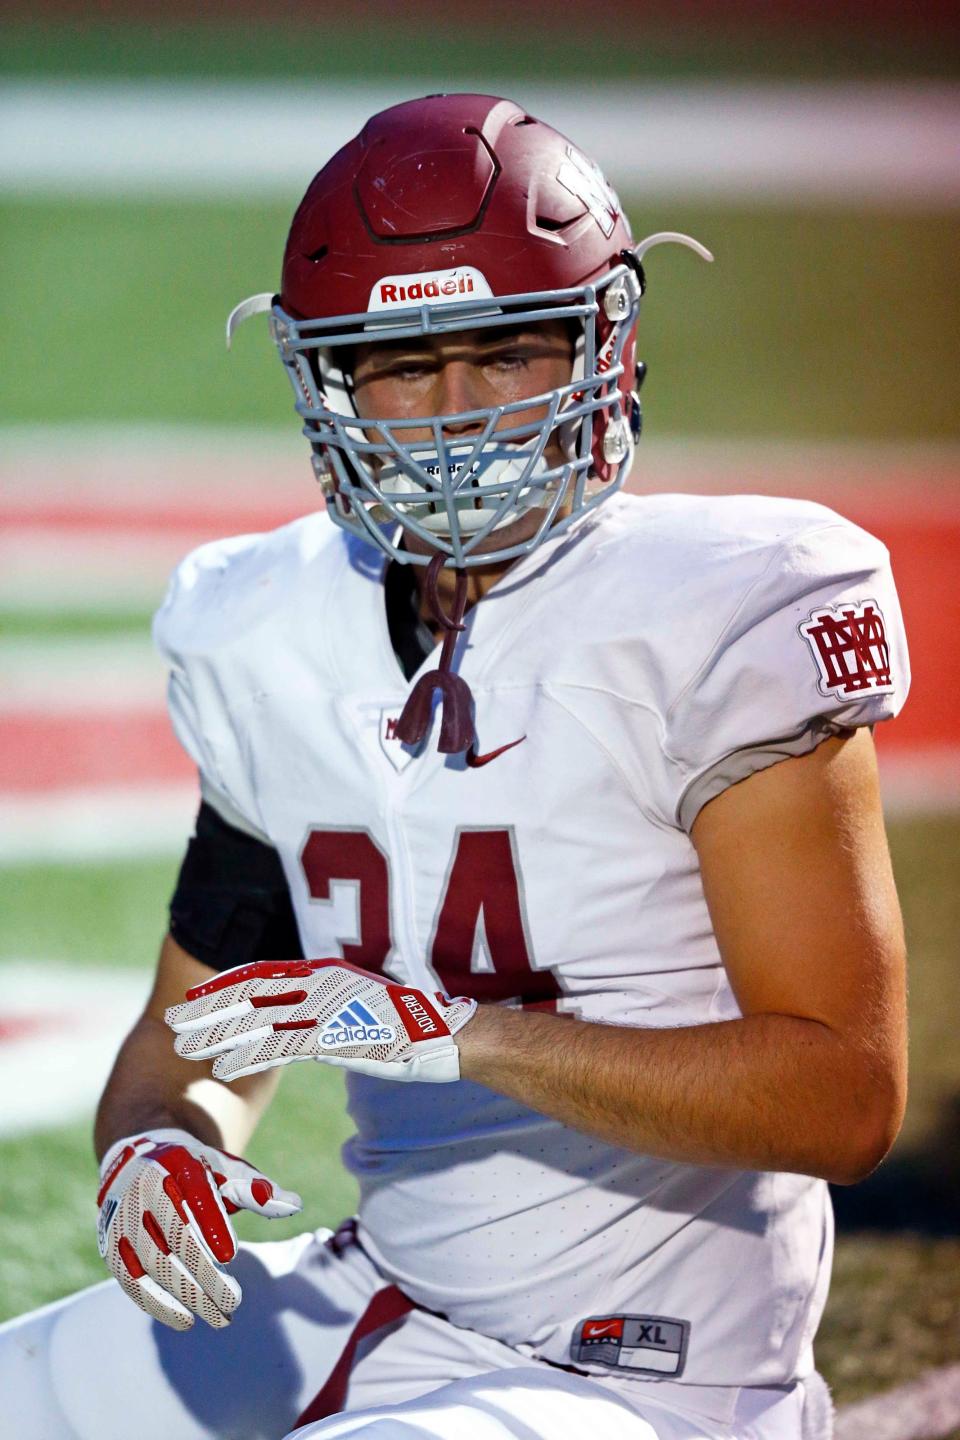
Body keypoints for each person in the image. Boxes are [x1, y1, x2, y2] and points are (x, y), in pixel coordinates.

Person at [0, 93, 909, 1440]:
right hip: (386, 1303)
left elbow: (847, 1099)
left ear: (604, 348)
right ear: (329, 382)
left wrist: (462, 1036)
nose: (457, 413)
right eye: (402, 364)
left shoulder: (723, 608)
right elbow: (201, 1031)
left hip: (653, 1375)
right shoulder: (264, 626)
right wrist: (162, 1142)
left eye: (506, 355)